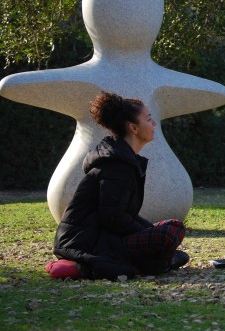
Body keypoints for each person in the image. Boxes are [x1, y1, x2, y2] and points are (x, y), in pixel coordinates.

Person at [44, 91, 189, 279]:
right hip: (85, 242)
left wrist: (149, 231)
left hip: (103, 237)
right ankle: (149, 264)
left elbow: (125, 215)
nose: (154, 123)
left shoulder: (123, 159)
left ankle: (154, 262)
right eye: (148, 119)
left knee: (173, 234)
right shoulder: (117, 165)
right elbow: (113, 217)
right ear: (133, 128)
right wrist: (149, 233)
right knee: (171, 232)